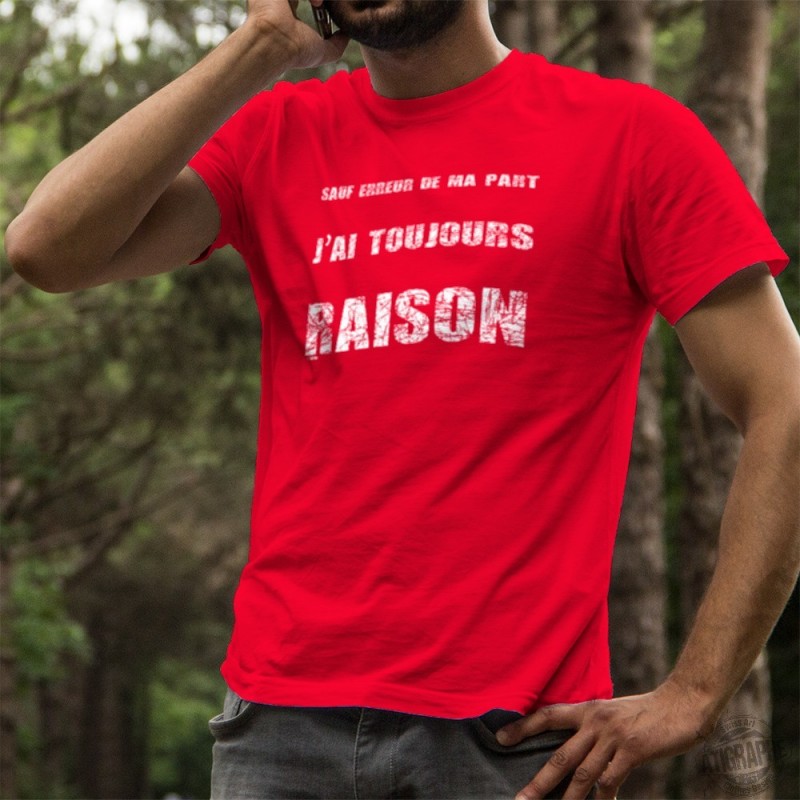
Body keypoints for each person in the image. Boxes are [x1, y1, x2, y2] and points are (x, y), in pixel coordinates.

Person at [5, 1, 799, 798]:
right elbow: (47, 247)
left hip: (513, 743)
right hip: (278, 729)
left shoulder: (630, 135)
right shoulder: (274, 134)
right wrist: (261, 44)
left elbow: (784, 401)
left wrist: (696, 693)